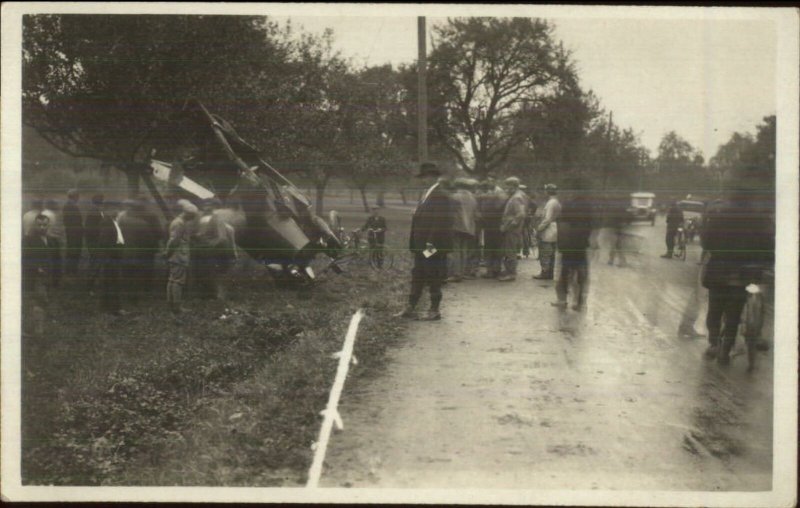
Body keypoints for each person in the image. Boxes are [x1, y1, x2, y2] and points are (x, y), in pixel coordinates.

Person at [702, 175, 773, 367]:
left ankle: (714, 343)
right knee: (734, 311)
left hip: (719, 270)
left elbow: (707, 242)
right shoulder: (760, 219)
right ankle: (728, 347)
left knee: (715, 309)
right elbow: (769, 245)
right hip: (746, 273)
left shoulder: (718, 215)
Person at [395, 163, 454, 321]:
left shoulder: (441, 195)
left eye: (426, 177)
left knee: (433, 275)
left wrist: (430, 247)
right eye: (422, 177)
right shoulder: (427, 194)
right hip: (422, 245)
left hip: (432, 246)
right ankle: (410, 307)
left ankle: (434, 310)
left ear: (434, 177)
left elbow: (439, 224)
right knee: (418, 274)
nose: (423, 180)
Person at [553, 181, 594, 310]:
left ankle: (562, 300)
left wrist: (560, 244)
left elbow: (563, 226)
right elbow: (592, 226)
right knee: (581, 273)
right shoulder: (589, 206)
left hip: (569, 244)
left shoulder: (568, 205)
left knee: (565, 272)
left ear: (573, 191)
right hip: (581, 244)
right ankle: (580, 302)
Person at [22, 214, 62, 337]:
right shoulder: (28, 240)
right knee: (40, 299)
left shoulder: (52, 241)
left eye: (45, 225)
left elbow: (57, 260)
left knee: (47, 299)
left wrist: (57, 276)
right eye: (39, 225)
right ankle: (38, 330)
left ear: (48, 225)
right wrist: (36, 268)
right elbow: (26, 258)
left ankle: (40, 323)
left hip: (50, 276)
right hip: (36, 277)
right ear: (35, 225)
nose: (42, 227)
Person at [165, 200, 198, 315]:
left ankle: (171, 304)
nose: (192, 219)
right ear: (187, 214)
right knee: (178, 281)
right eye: (192, 216)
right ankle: (177, 307)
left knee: (172, 279)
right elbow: (174, 240)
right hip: (178, 255)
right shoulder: (179, 223)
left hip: (177, 254)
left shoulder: (179, 222)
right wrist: (168, 252)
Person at [97, 200, 127, 315]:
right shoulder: (106, 223)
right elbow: (105, 243)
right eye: (115, 209)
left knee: (108, 282)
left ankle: (105, 307)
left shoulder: (112, 221)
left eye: (117, 209)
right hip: (110, 258)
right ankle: (116, 308)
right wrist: (109, 258)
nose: (117, 211)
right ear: (108, 210)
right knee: (113, 283)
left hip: (112, 257)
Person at [447, 178, 478, 281]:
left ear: (457, 186)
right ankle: (463, 272)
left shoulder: (454, 197)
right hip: (469, 228)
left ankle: (456, 274)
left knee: (455, 250)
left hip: (456, 226)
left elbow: (449, 212)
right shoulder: (473, 198)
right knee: (464, 250)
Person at [497, 177, 528, 282]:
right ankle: (509, 270)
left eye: (508, 186)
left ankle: (511, 273)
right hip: (512, 228)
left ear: (513, 186)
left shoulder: (516, 198)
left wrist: (510, 225)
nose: (506, 189)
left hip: (511, 229)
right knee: (509, 249)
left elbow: (521, 214)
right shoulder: (518, 195)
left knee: (510, 250)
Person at [476, 178, 507, 279]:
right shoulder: (491, 192)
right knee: (489, 247)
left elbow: (498, 206)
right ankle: (491, 270)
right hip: (489, 223)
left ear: (495, 181)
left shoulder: (499, 192)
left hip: (496, 223)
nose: (489, 183)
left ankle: (495, 269)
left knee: (495, 247)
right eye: (488, 180)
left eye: (491, 180)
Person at [534, 184, 561, 280]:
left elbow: (547, 219)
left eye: (545, 190)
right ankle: (550, 272)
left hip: (548, 229)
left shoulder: (550, 203)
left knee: (545, 252)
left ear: (548, 192)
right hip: (555, 228)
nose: (544, 192)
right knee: (552, 252)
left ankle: (545, 272)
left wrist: (539, 228)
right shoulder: (556, 201)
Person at [83, 193, 105, 292]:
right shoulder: (95, 211)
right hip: (94, 240)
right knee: (95, 262)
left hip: (91, 239)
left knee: (94, 261)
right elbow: (95, 228)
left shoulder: (93, 210)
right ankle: (90, 285)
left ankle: (91, 283)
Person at [62, 189, 84, 275]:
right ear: (75, 196)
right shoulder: (73, 206)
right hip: (75, 233)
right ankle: (72, 270)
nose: (78, 198)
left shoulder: (66, 205)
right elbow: (77, 221)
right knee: (75, 251)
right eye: (78, 196)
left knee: (71, 250)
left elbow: (65, 220)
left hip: (70, 231)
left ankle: (70, 270)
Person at [607, 192, 630, 267]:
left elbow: (610, 219)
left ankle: (612, 260)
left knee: (613, 245)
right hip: (619, 228)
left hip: (614, 228)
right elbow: (628, 218)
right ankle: (621, 261)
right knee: (618, 246)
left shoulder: (613, 208)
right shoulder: (623, 208)